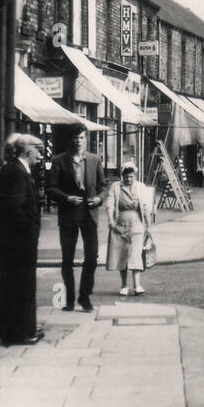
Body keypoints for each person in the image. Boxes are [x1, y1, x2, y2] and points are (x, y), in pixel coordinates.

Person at [0, 133, 44, 345]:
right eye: (38, 150)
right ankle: (20, 332)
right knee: (21, 287)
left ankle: (14, 329)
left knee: (14, 285)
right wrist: (28, 234)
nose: (40, 155)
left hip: (15, 241)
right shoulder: (16, 172)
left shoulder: (15, 170)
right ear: (28, 151)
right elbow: (14, 208)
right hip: (19, 243)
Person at [48, 126, 107, 312]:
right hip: (68, 215)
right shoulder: (59, 160)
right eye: (75, 137)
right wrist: (67, 198)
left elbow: (104, 187)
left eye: (81, 137)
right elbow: (50, 189)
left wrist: (99, 199)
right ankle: (69, 299)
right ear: (70, 140)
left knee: (92, 257)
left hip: (89, 214)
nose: (78, 141)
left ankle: (84, 296)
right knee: (67, 259)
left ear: (86, 139)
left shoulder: (94, 159)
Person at [106, 162, 153, 296]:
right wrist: (111, 222)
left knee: (136, 255)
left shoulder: (140, 187)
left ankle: (137, 285)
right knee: (123, 256)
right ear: (122, 176)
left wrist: (148, 225)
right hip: (120, 225)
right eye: (126, 176)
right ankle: (124, 285)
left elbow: (145, 206)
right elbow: (110, 205)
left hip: (137, 226)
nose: (129, 179)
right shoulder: (115, 187)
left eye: (131, 176)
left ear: (135, 176)